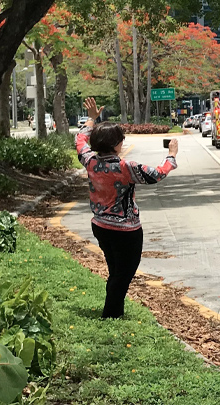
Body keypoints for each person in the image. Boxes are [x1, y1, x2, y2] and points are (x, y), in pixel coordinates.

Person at [78, 97, 178, 318]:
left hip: (100, 226)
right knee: (123, 274)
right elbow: (157, 174)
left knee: (116, 270)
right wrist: (171, 155)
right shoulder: (126, 167)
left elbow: (80, 140)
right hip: (126, 231)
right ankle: (111, 315)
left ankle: (115, 312)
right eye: (121, 139)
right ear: (116, 144)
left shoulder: (90, 161)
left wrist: (91, 120)